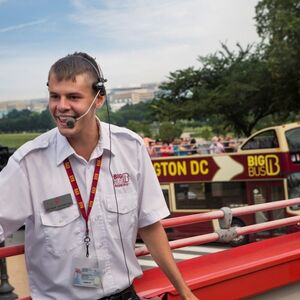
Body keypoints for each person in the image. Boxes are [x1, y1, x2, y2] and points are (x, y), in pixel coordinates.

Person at [0, 52, 197, 300]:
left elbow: (150, 226)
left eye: (73, 97)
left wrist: (184, 291)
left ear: (99, 98)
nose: (61, 106)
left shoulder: (130, 147)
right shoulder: (28, 162)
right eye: (54, 96)